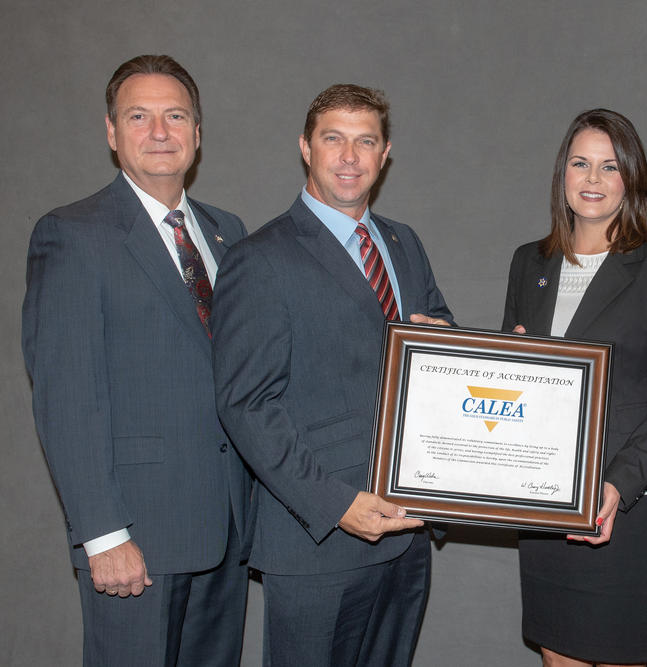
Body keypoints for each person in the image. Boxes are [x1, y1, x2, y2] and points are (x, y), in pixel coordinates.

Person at [212, 83, 453, 666]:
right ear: (305, 147)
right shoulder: (259, 258)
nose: (350, 157)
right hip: (320, 536)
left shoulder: (403, 243)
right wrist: (336, 504)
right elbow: (245, 404)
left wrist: (453, 347)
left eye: (365, 141)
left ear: (385, 153)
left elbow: (439, 332)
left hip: (407, 532)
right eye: (334, 140)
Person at [21, 55, 251, 665]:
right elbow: (67, 397)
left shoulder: (229, 233)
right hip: (136, 537)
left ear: (197, 135)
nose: (159, 132)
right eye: (139, 116)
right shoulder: (72, 235)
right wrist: (103, 534)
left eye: (175, 116)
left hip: (227, 528)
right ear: (110, 131)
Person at [503, 109, 647, 666]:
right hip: (548, 504)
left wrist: (618, 484)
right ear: (562, 174)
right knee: (558, 657)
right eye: (580, 163)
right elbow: (509, 384)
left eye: (609, 167)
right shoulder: (530, 263)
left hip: (630, 505)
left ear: (631, 180)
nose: (593, 179)